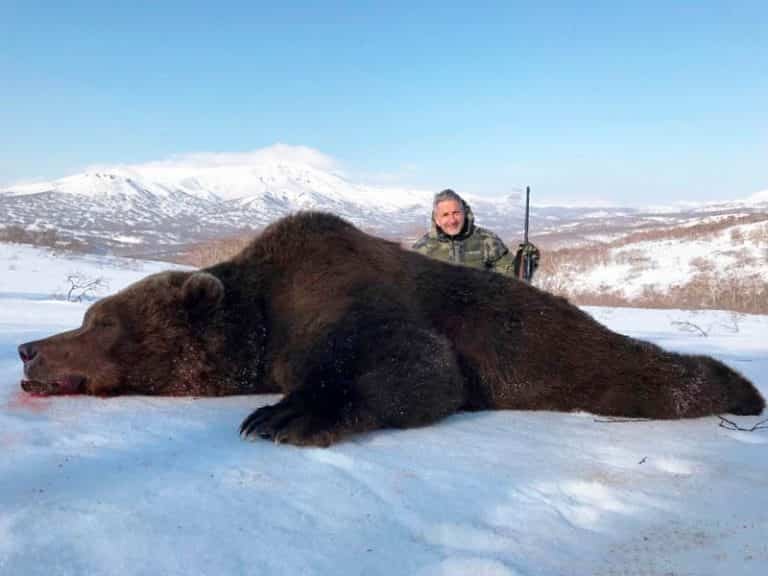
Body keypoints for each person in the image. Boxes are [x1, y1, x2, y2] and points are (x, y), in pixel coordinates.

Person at [412, 188, 539, 280]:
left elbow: (511, 278)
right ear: (437, 220)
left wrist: (526, 261)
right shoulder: (421, 250)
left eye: (456, 213)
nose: (452, 220)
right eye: (445, 215)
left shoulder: (487, 240)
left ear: (464, 213)